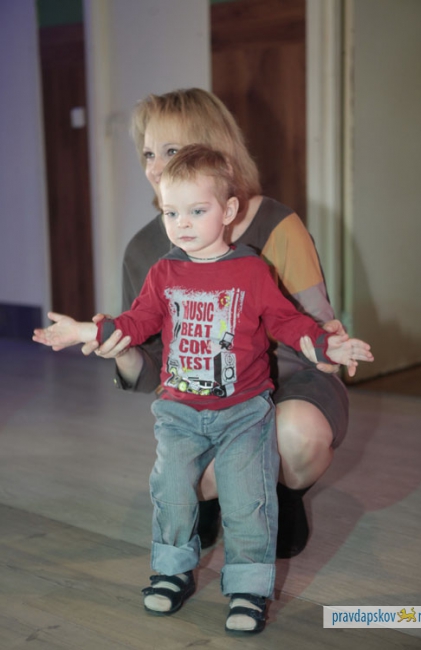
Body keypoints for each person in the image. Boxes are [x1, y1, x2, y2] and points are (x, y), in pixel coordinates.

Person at [33, 145, 373, 633]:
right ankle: (171, 573)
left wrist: (327, 344)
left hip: (244, 414)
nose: (182, 224)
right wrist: (86, 331)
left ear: (228, 211)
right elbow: (135, 322)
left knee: (247, 501)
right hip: (179, 414)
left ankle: (249, 590)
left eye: (197, 211)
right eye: (171, 213)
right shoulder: (164, 272)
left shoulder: (251, 271)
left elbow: (288, 320)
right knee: (171, 493)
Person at [81, 88, 356, 558]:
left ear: (214, 151)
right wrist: (123, 351)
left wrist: (330, 344)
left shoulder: (276, 224)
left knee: (295, 434)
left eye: (171, 150)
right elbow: (150, 368)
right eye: (148, 153)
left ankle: (282, 496)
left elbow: (315, 327)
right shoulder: (145, 250)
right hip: (203, 398)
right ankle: (210, 495)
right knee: (185, 463)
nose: (156, 168)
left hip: (290, 382)